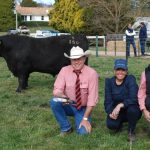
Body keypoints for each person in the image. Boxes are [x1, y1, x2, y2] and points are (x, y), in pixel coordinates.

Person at [50, 46, 99, 136]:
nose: (76, 62)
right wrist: (63, 96)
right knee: (54, 101)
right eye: (73, 59)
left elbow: (92, 100)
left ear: (84, 59)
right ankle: (66, 128)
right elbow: (56, 90)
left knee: (83, 133)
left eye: (79, 59)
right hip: (68, 103)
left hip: (83, 108)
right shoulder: (64, 70)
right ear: (70, 60)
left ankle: (83, 118)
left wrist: (85, 119)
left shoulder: (92, 73)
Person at [104, 59, 141, 142]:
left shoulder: (131, 79)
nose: (120, 72)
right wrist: (110, 112)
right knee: (111, 125)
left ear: (126, 71)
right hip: (117, 112)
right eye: (118, 69)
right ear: (114, 70)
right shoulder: (109, 82)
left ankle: (131, 131)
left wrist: (120, 105)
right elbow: (107, 101)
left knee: (133, 110)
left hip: (131, 109)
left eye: (123, 70)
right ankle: (119, 124)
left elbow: (134, 98)